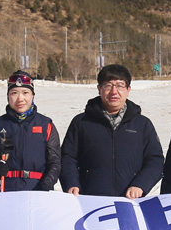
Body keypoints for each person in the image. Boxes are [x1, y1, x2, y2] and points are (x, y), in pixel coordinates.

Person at [59, 64, 164, 198]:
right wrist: (71, 183)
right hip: (90, 199)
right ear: (99, 89)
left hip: (130, 200)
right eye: (108, 85)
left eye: (120, 86)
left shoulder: (142, 124)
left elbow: (155, 160)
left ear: (128, 90)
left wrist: (140, 185)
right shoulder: (81, 122)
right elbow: (68, 157)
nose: (114, 91)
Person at [0, 70, 61, 192]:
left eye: (25, 93)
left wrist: (46, 184)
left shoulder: (45, 125)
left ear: (32, 95)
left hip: (37, 189)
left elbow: (55, 162)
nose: (20, 99)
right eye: (14, 93)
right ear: (8, 96)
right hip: (6, 189)